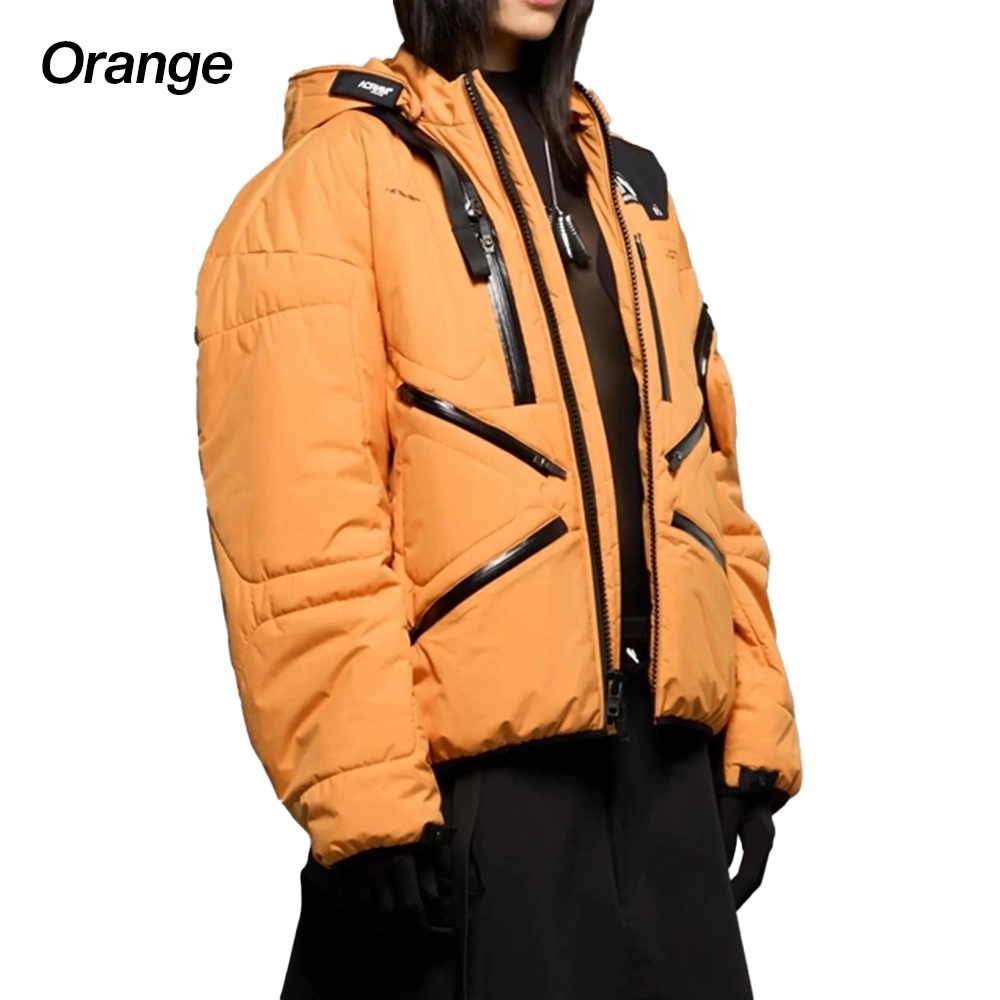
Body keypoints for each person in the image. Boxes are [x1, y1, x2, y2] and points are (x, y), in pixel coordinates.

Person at [193, 1, 803, 996]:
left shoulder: (630, 190)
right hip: (470, 803)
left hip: (667, 783)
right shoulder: (331, 183)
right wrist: (367, 798)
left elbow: (705, 475)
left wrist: (754, 735)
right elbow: (298, 522)